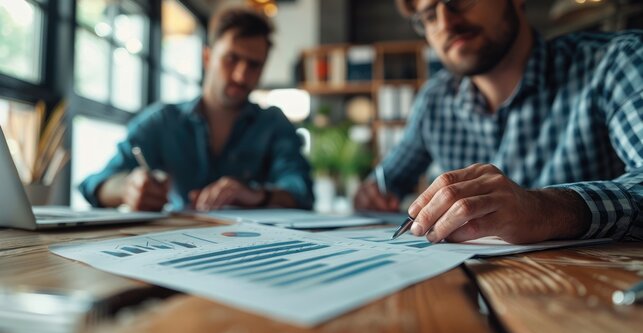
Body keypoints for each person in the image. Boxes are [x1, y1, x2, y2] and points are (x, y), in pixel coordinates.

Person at [354, 0, 643, 244]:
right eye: (429, 15)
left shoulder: (616, 61)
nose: (446, 22)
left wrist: (546, 210)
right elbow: (382, 187)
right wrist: (371, 196)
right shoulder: (435, 100)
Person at [80, 7, 314, 212]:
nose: (241, 75)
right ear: (207, 56)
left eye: (254, 65)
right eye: (231, 58)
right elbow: (96, 184)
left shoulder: (273, 125)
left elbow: (302, 190)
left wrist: (257, 195)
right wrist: (128, 189)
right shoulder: (162, 122)